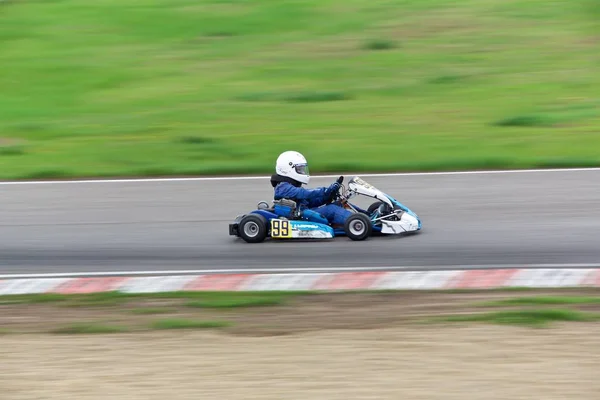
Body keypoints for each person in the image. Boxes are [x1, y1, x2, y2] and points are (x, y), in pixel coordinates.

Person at [270, 150, 352, 226]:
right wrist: (324, 191)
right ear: (287, 169)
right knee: (331, 209)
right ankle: (356, 222)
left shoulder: (291, 185)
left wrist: (327, 196)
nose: (302, 171)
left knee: (339, 203)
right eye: (299, 169)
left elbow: (309, 202)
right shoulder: (283, 187)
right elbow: (304, 193)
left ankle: (362, 216)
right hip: (298, 216)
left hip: (304, 211)